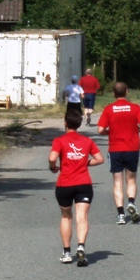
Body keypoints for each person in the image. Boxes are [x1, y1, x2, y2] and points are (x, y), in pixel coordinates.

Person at [49, 108, 104, 266]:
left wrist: (53, 166)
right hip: (83, 184)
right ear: (80, 124)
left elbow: (52, 157)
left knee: (66, 216)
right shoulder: (87, 141)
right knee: (82, 217)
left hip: (65, 184)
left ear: (65, 123)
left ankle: (67, 253)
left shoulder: (59, 140)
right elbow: (99, 159)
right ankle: (81, 246)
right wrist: (85, 162)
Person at [96, 82, 140, 225]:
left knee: (117, 182)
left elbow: (100, 130)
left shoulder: (109, 109)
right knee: (131, 179)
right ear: (127, 91)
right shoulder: (136, 108)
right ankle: (131, 202)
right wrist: (137, 130)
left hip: (115, 149)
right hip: (132, 148)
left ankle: (120, 215)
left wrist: (110, 132)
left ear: (113, 93)